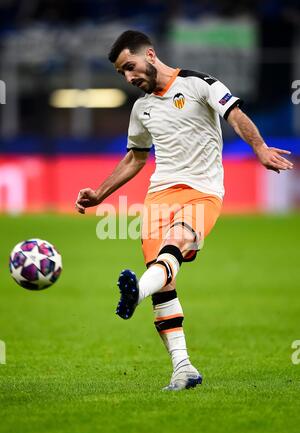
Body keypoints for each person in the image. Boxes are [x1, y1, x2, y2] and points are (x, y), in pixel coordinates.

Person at [75, 30, 293, 391]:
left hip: (203, 192)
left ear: (150, 54)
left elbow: (235, 115)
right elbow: (135, 157)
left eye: (130, 66)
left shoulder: (199, 84)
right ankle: (183, 367)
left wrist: (260, 148)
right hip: (158, 196)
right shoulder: (141, 108)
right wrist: (100, 193)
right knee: (165, 280)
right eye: (121, 74)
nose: (128, 77)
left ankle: (135, 294)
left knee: (175, 245)